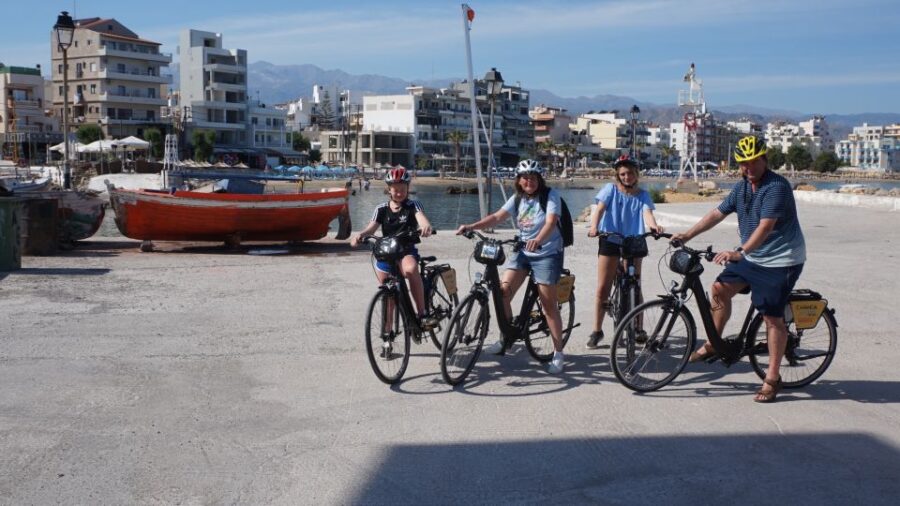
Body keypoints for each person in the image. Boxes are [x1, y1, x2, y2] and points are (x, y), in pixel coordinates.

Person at [671, 135, 806, 403]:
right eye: (743, 163)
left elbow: (765, 227)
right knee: (719, 289)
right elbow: (716, 214)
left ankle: (772, 378)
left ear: (764, 159)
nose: (747, 168)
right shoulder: (742, 187)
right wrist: (687, 235)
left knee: (772, 318)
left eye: (753, 162)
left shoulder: (776, 187)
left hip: (781, 260)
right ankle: (713, 344)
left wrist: (740, 252)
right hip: (752, 257)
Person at [455, 159, 568, 374]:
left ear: (539, 179)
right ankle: (507, 337)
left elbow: (551, 222)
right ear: (519, 180)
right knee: (503, 293)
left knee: (548, 305)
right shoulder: (518, 199)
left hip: (546, 253)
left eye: (533, 178)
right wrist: (471, 226)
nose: (529, 181)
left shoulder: (550, 195)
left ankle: (558, 353)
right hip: (523, 251)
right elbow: (497, 217)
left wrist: (539, 240)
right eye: (525, 178)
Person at [586, 154, 663, 348]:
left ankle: (638, 328)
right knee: (603, 287)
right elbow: (600, 209)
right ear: (618, 176)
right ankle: (597, 330)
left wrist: (653, 226)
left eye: (630, 173)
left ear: (636, 174)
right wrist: (594, 227)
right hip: (610, 238)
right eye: (622, 174)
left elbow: (647, 213)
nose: (626, 177)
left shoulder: (643, 195)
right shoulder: (610, 190)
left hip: (634, 241)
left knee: (635, 284)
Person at [351, 167, 435, 326]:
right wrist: (361, 235)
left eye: (403, 189)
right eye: (395, 190)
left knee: (410, 269)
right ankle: (387, 334)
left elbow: (422, 219)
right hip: (387, 254)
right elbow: (371, 228)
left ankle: (423, 314)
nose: (399, 193)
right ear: (389, 189)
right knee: (388, 295)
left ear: (408, 189)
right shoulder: (381, 209)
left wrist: (425, 227)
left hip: (406, 251)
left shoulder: (413, 205)